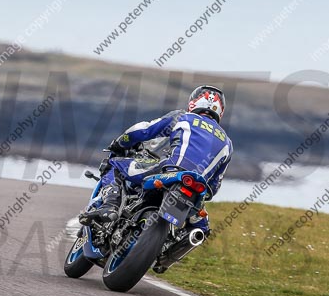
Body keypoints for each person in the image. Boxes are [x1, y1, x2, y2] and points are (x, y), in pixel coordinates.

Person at [79, 85, 233, 235]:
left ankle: (110, 206)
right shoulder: (228, 143)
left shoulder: (183, 117)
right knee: (201, 229)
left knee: (115, 164)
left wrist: (120, 143)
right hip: (197, 189)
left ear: (193, 102)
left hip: (170, 170)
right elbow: (214, 186)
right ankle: (178, 242)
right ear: (220, 111)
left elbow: (144, 130)